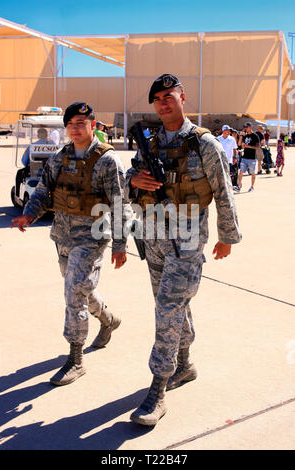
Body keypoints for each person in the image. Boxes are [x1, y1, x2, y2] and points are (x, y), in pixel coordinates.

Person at [125, 74, 242, 426]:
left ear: (182, 98)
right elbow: (131, 177)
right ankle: (185, 364)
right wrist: (135, 180)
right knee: (173, 307)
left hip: (187, 240)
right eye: (158, 98)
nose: (163, 102)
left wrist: (227, 236)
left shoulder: (205, 144)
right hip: (153, 237)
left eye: (169, 96)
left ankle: (158, 388)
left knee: (166, 309)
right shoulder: (151, 142)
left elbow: (224, 191)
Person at [11, 102, 131, 386]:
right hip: (63, 236)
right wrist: (29, 213)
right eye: (71, 123)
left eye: (82, 122)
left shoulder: (107, 161)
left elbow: (120, 203)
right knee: (80, 288)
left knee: (73, 292)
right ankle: (108, 319)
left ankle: (75, 358)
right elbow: (43, 191)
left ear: (93, 124)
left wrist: (120, 243)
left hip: (92, 238)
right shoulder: (59, 158)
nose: (76, 128)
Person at [15, 128, 54, 197]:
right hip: (51, 172)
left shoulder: (32, 146)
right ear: (47, 135)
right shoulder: (54, 146)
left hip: (34, 172)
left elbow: (23, 162)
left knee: (19, 173)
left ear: (38, 135)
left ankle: (17, 195)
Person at [236, 122, 260, 192]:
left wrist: (247, 146)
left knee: (252, 173)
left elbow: (258, 146)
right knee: (241, 172)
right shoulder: (245, 136)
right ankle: (239, 186)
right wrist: (241, 135)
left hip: (252, 158)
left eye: (247, 127)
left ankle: (252, 186)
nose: (245, 129)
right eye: (245, 127)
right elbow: (239, 144)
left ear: (251, 127)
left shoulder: (255, 136)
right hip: (244, 156)